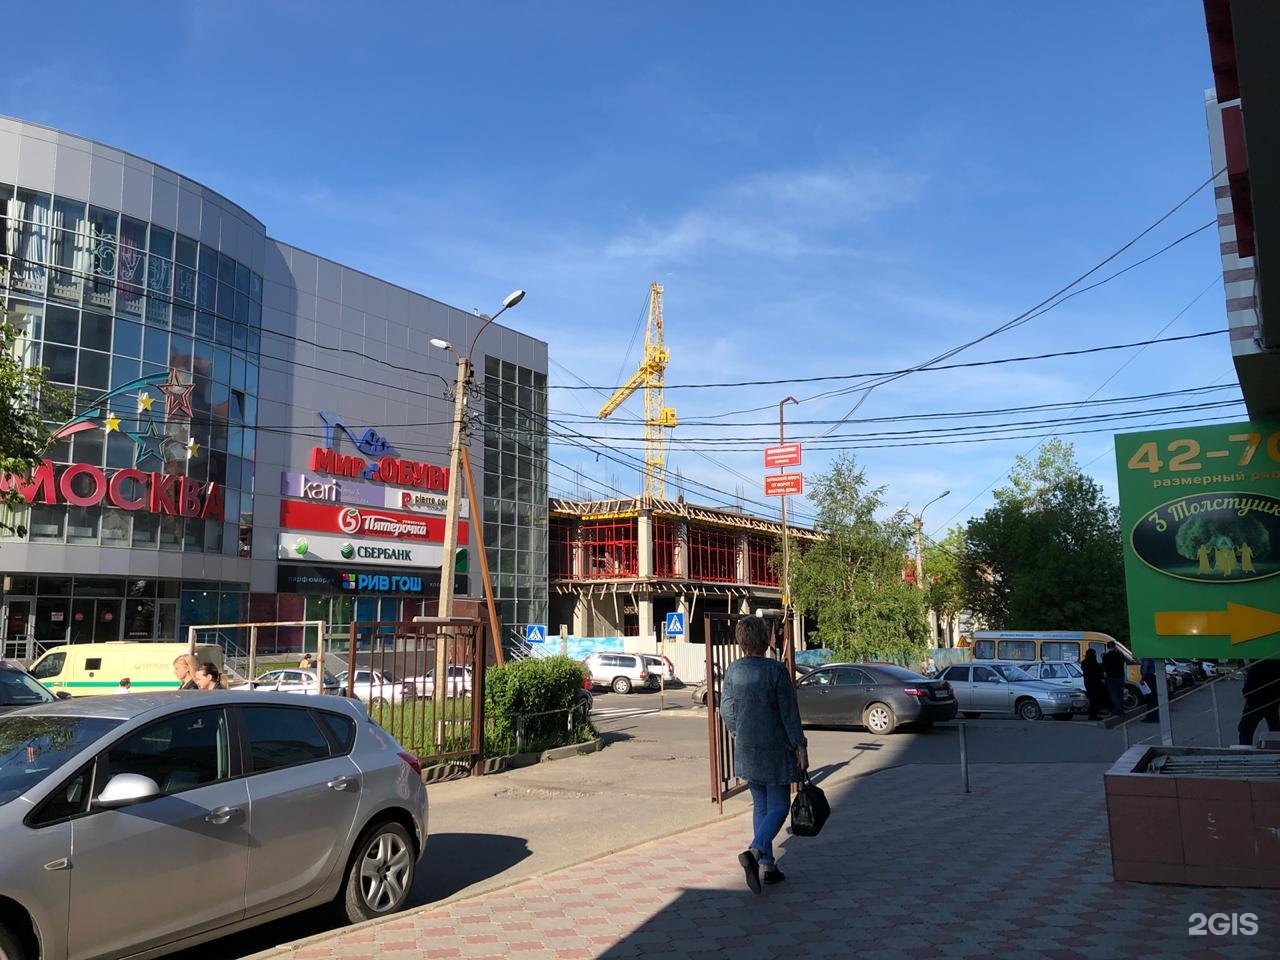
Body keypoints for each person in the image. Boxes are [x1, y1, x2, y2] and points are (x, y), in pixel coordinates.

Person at [721, 616, 808, 895]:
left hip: (747, 748)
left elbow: (726, 710)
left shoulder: (733, 670)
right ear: (765, 639)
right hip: (776, 749)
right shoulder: (776, 671)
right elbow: (789, 714)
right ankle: (756, 851)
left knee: (760, 804)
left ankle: (769, 866)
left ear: (741, 641)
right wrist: (800, 746)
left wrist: (740, 732)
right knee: (780, 806)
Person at [1238, 659, 1280, 746]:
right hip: (1272, 701)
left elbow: (1248, 689)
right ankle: (1276, 747)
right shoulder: (1276, 664)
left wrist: (1246, 693)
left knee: (1245, 730)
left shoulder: (1257, 666)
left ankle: (1245, 750)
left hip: (1255, 702)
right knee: (1275, 728)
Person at [1102, 641, 1126, 719]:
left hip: (1110, 677)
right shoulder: (1120, 655)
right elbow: (1124, 660)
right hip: (1120, 676)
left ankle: (1117, 710)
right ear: (1115, 646)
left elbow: (1104, 666)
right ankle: (1121, 709)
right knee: (1120, 694)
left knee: (1113, 694)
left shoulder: (1106, 656)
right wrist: (1118, 651)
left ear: (1107, 647)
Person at [1081, 649, 1107, 720]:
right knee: (1096, 699)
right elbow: (1099, 672)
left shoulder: (1084, 662)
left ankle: (1092, 714)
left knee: (1093, 699)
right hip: (1096, 683)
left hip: (1088, 682)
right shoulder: (1093, 663)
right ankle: (1093, 714)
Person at [1139, 658, 1159, 723]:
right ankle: (1153, 716)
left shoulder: (1146, 656)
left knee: (1150, 699)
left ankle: (1152, 717)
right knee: (1153, 698)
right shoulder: (1150, 656)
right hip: (1151, 676)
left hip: (1148, 677)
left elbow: (1145, 667)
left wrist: (1142, 678)